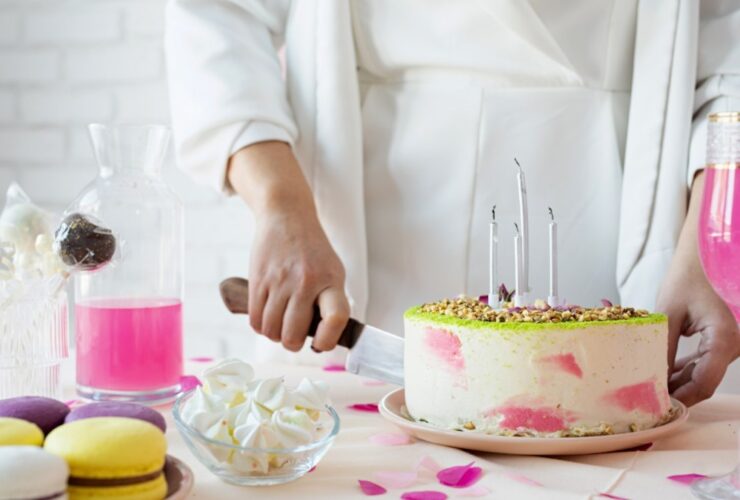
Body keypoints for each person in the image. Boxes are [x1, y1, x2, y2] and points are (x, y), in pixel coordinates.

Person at [165, 1, 740, 406]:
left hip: (620, 216)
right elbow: (219, 15)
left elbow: (730, 55)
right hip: (361, 233)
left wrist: (708, 250)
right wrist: (281, 203)